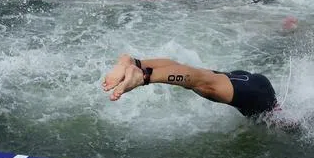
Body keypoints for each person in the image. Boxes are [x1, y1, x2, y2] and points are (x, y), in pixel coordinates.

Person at [102, 53, 282, 122]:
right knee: (201, 82)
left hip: (246, 81)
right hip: (257, 95)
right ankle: (143, 75)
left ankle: (135, 63)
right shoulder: (275, 116)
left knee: (199, 78)